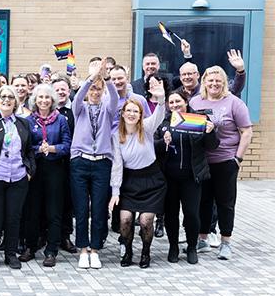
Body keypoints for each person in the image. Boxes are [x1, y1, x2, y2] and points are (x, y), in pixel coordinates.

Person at [190, 66, 253, 260]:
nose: (214, 84)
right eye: (210, 80)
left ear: (224, 82)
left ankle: (226, 242)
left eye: (218, 80)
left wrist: (238, 158)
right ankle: (202, 240)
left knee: (226, 203)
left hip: (226, 160)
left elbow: (247, 131)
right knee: (203, 202)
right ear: (204, 82)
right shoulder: (195, 101)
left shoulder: (234, 103)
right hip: (202, 162)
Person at [154, 90, 218, 264]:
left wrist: (210, 131)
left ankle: (191, 247)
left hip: (192, 176)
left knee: (191, 214)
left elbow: (212, 146)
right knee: (171, 214)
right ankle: (173, 246)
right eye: (171, 102)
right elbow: (153, 146)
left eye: (178, 102)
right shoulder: (163, 122)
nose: (175, 105)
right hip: (169, 177)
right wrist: (162, 142)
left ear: (186, 101)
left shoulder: (198, 119)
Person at [108, 80, 167, 268]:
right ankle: (128, 251)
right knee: (125, 220)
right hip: (129, 182)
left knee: (145, 221)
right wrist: (115, 192)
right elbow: (117, 165)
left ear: (140, 114)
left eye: (136, 111)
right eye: (129, 111)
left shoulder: (147, 128)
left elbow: (159, 114)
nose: (132, 114)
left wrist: (161, 98)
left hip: (151, 181)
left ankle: (146, 252)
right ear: (122, 114)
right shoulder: (116, 135)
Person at [0, 85, 35, 270]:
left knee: (13, 217)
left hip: (18, 178)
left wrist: (29, 171)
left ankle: (11, 254)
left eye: (10, 97)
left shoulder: (23, 123)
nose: (6, 99)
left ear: (15, 102)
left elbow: (29, 150)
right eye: (3, 96)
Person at [70, 59, 118, 270]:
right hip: (80, 161)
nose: (95, 92)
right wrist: (90, 79)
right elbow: (79, 95)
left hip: (101, 163)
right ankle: (82, 249)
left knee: (99, 208)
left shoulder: (108, 108)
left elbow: (115, 96)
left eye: (98, 89)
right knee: (81, 208)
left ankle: (95, 249)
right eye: (92, 88)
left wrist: (105, 78)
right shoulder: (79, 108)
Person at [21, 83, 72, 267]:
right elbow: (25, 147)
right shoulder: (28, 120)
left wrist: (52, 148)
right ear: (35, 99)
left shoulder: (61, 120)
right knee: (32, 210)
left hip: (55, 170)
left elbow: (67, 145)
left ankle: (51, 250)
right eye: (40, 97)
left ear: (52, 100)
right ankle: (30, 247)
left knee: (54, 211)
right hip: (35, 170)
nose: (43, 100)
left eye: (47, 97)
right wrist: (38, 149)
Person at [52, 77, 78, 254]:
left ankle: (65, 235)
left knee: (67, 201)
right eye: (57, 89)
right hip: (50, 162)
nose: (61, 92)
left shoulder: (75, 110)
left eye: (64, 89)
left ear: (69, 90)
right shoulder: (47, 110)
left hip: (70, 162)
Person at [177, 41, 246, 98]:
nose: (187, 77)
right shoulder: (177, 94)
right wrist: (187, 55)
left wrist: (240, 70)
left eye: (189, 74)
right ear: (180, 77)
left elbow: (235, 89)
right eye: (184, 74)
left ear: (198, 75)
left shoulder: (208, 90)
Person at [109, 66, 150, 131]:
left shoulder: (140, 100)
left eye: (120, 78)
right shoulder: (105, 101)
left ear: (127, 78)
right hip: (111, 139)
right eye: (113, 79)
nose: (117, 82)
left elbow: (148, 123)